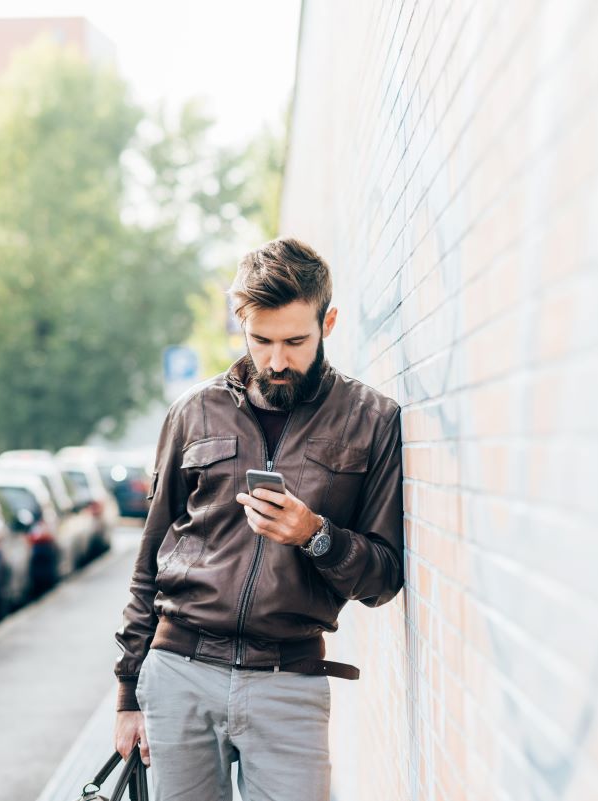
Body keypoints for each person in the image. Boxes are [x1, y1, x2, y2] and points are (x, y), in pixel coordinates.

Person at [113, 238, 405, 801]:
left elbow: (384, 578)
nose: (277, 360)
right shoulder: (192, 413)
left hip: (290, 683)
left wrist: (313, 536)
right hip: (178, 673)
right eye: (261, 340)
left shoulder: (371, 421)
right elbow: (150, 558)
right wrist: (129, 694)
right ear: (239, 324)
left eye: (296, 341)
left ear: (329, 321)